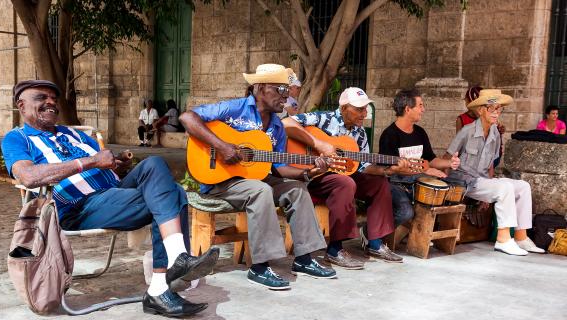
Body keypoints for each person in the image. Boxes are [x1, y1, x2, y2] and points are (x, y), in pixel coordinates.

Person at [1, 80, 219, 318]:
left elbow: (106, 163)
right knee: (173, 194)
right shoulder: (17, 138)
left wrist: (118, 164)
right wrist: (91, 161)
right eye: (41, 98)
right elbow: (29, 176)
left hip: (114, 191)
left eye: (54, 98)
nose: (51, 102)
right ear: (21, 105)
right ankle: (161, 285)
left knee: (154, 163)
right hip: (77, 206)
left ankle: (176, 259)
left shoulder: (71, 133)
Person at [180, 64, 336, 290]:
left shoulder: (277, 127)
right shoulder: (234, 109)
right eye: (281, 89)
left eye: (287, 90)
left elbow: (280, 168)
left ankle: (304, 259)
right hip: (220, 181)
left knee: (296, 189)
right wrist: (222, 147)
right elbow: (187, 117)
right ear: (261, 88)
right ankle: (260, 267)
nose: (286, 96)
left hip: (255, 180)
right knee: (260, 190)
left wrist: (309, 170)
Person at [283, 87, 410, 266]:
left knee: (378, 183)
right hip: (312, 175)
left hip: (338, 177)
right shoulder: (323, 119)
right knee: (345, 182)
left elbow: (364, 166)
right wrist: (319, 145)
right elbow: (286, 123)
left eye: (365, 109)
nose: (364, 114)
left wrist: (389, 170)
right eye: (359, 109)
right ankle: (335, 250)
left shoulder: (360, 133)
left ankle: (374, 242)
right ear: (343, 108)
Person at [445, 89, 544, 256]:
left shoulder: (495, 134)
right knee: (504, 188)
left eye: (499, 109)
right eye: (493, 108)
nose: (497, 113)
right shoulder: (467, 131)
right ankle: (504, 239)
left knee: (523, 186)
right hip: (463, 181)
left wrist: (488, 191)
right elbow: (447, 159)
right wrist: (446, 187)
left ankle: (521, 237)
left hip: (482, 181)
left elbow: (490, 165)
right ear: (481, 110)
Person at [379, 89, 460, 227]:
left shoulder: (420, 133)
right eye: (420, 105)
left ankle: (421, 234)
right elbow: (392, 170)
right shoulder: (389, 135)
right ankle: (373, 233)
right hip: (395, 185)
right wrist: (424, 171)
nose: (423, 109)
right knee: (405, 212)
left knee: (451, 191)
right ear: (408, 109)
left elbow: (431, 160)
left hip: (417, 183)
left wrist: (449, 163)